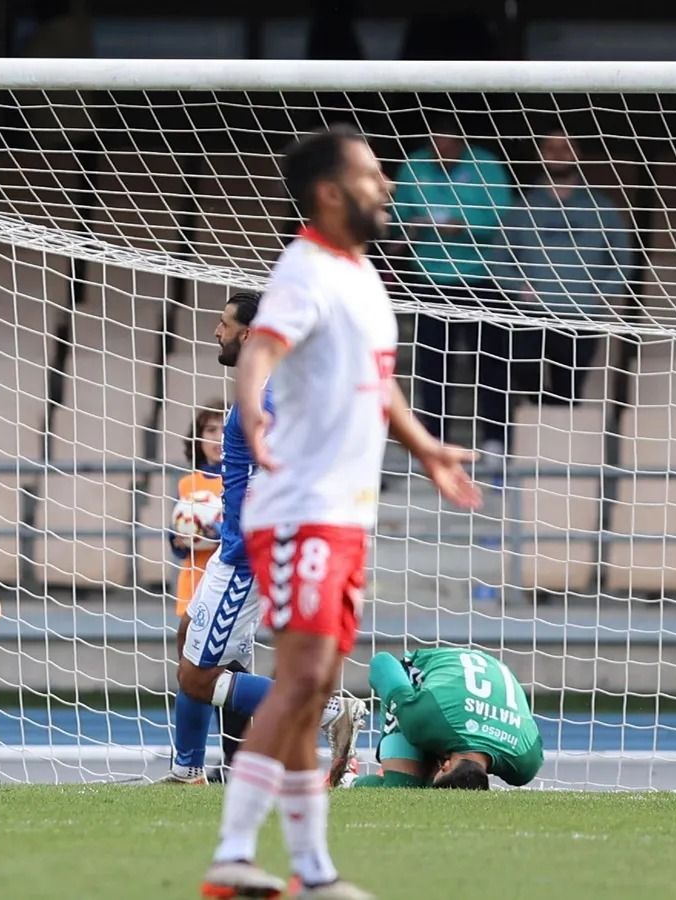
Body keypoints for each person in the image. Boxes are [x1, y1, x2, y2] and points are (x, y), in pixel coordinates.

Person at [201, 125, 482, 900]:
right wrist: (250, 409)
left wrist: (426, 449)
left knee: (315, 684)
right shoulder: (306, 270)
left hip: (344, 515)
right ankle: (232, 853)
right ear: (330, 193)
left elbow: (377, 382)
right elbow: (260, 349)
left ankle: (313, 869)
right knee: (300, 682)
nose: (387, 185)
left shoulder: (361, 275)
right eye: (370, 174)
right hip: (302, 511)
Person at [166, 294, 367, 789]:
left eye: (224, 323)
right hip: (235, 550)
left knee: (197, 677)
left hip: (246, 558)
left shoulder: (268, 397)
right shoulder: (267, 388)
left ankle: (329, 711)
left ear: (250, 334)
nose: (216, 332)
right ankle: (187, 771)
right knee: (189, 636)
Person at [393, 114, 518, 456]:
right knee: (433, 364)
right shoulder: (413, 166)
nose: (440, 151)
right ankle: (434, 440)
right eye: (434, 144)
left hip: (481, 277)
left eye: (447, 144)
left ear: (461, 142)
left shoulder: (486, 165)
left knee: (489, 361)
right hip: (430, 279)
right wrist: (412, 225)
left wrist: (463, 225)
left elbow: (503, 216)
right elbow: (399, 217)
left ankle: (495, 440)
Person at [491, 128, 630, 406]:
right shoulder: (522, 208)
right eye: (550, 148)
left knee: (569, 390)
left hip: (580, 316)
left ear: (578, 154)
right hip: (532, 314)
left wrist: (601, 293)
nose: (558, 154)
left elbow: (623, 259)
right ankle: (541, 410)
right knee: (522, 371)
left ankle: (556, 422)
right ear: (539, 155)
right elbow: (496, 259)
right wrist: (517, 287)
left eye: (566, 147)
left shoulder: (601, 207)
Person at [345, 647, 543, 789]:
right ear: (446, 766)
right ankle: (345, 779)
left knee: (423, 778)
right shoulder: (422, 720)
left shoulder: (526, 764)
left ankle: (409, 764)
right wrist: (399, 700)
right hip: (422, 691)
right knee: (403, 786)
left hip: (482, 677)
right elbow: (382, 662)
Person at [171, 406, 224, 621]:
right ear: (198, 438)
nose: (219, 438)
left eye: (225, 430)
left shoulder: (241, 482)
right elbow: (176, 538)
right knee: (185, 636)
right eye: (211, 430)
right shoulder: (186, 484)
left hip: (225, 582)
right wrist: (179, 539)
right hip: (193, 580)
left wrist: (217, 533)